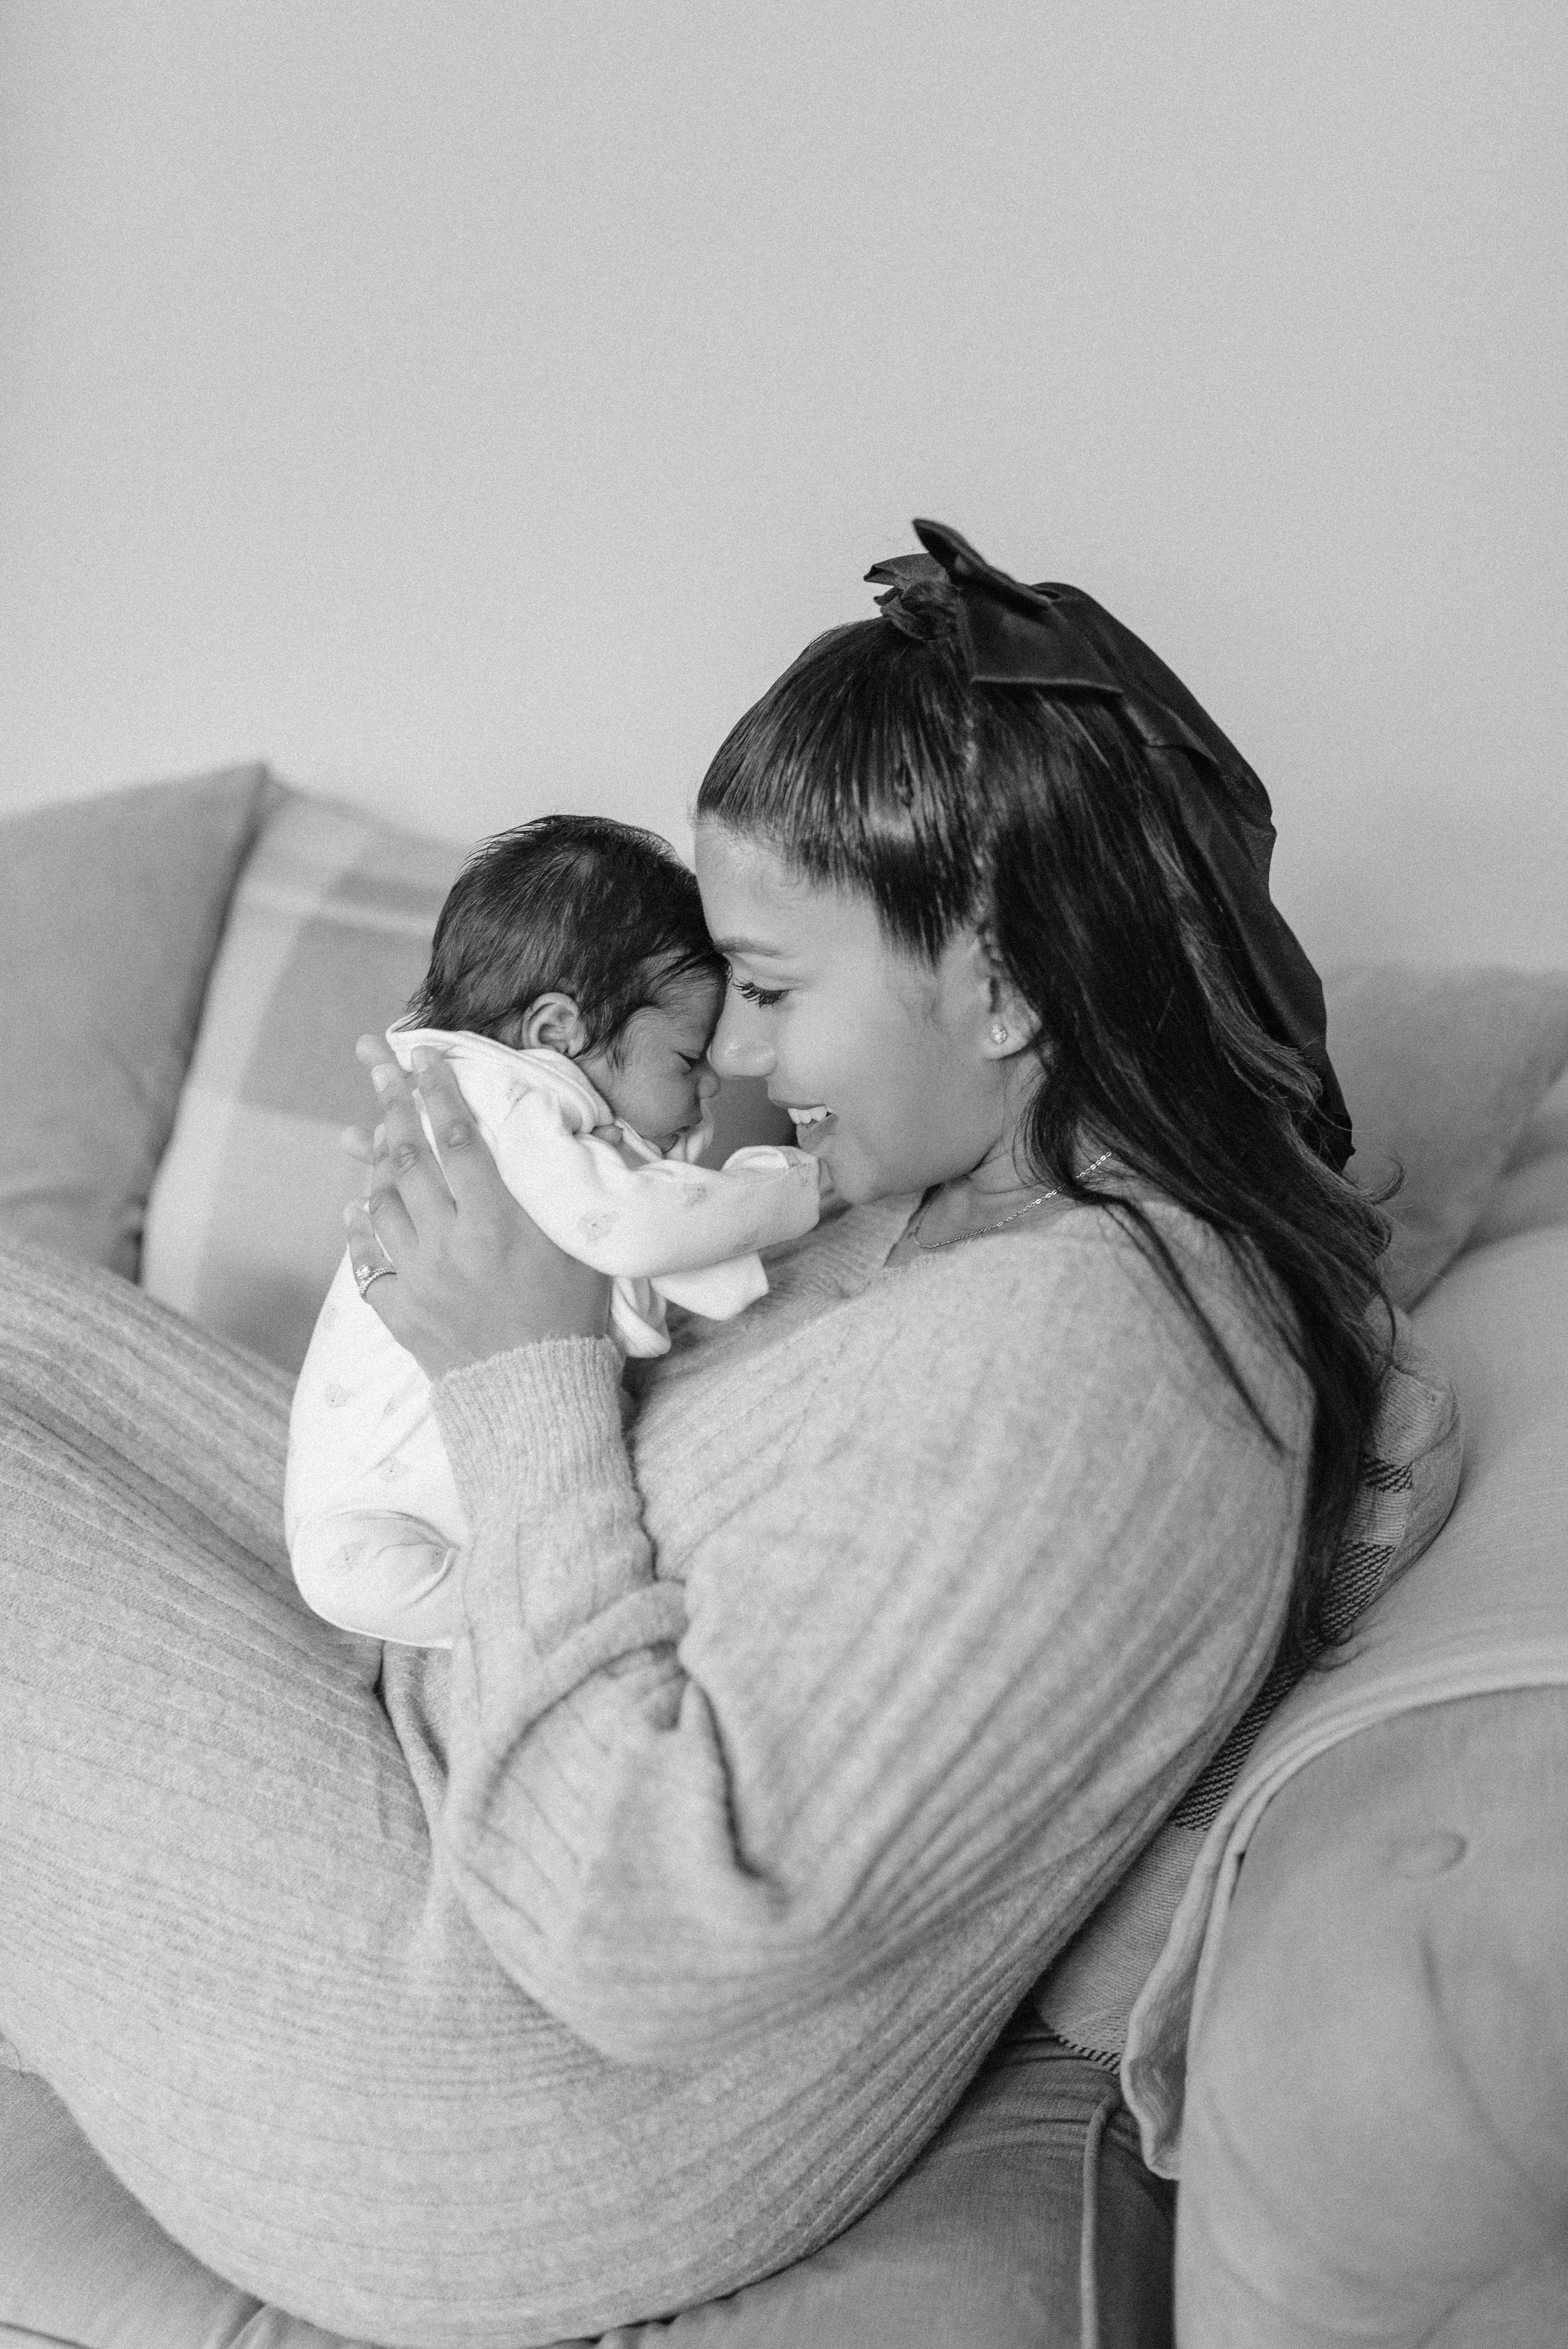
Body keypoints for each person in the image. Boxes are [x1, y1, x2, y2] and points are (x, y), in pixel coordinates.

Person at [0, 522, 1441, 2349]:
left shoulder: (1098, 1357)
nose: (745, 1056)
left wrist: (518, 1362)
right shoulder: (1001, 1234)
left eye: (769, 984)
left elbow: (642, 1927)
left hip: (477, 2083)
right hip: (456, 1749)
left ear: (1001, 985)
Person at [285, 814, 819, 1649]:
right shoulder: (507, 1100)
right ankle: (522, 1624)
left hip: (453, 1484)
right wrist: (780, 1190)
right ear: (554, 1034)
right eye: (686, 1062)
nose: (711, 1090)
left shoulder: (507, 1110)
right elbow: (633, 1231)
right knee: (350, 1573)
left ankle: (514, 1614)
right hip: (375, 1505)